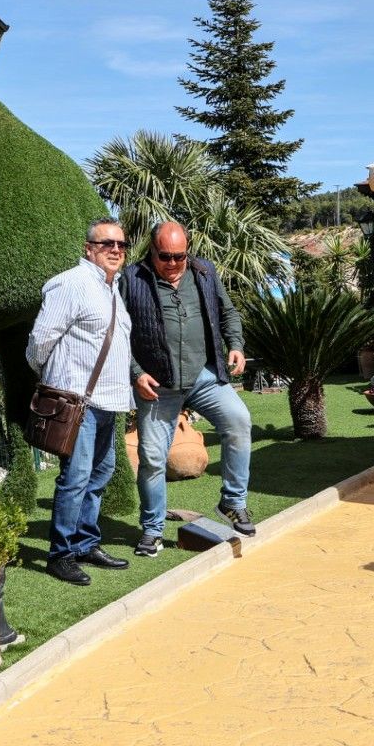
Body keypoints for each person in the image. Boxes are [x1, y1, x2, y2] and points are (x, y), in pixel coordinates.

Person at [123, 221, 255, 558]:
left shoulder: (204, 272)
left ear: (188, 251)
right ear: (151, 251)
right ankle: (152, 530)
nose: (172, 263)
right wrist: (136, 373)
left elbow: (228, 312)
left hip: (204, 375)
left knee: (238, 421)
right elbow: (116, 334)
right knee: (152, 459)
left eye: (179, 256)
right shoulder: (131, 279)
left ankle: (233, 502)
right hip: (158, 384)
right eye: (165, 256)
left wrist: (235, 345)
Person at [27, 217, 135, 586]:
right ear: (89, 249)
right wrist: (58, 384)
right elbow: (40, 341)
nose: (116, 250)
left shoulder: (112, 288)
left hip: (109, 402)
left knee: (99, 475)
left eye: (122, 244)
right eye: (108, 244)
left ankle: (86, 543)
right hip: (79, 402)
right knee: (75, 478)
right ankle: (60, 554)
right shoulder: (71, 284)